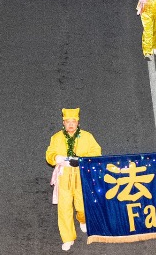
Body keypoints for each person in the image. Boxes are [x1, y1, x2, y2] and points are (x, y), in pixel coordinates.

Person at [45, 108, 102, 252]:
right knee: (64, 209)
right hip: (64, 177)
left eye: (73, 121)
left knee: (82, 205)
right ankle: (68, 238)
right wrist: (56, 158)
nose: (71, 124)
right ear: (63, 123)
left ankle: (82, 219)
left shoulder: (87, 137)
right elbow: (49, 154)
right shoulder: (56, 137)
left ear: (78, 122)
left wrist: (81, 160)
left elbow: (96, 151)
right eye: (68, 122)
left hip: (81, 175)